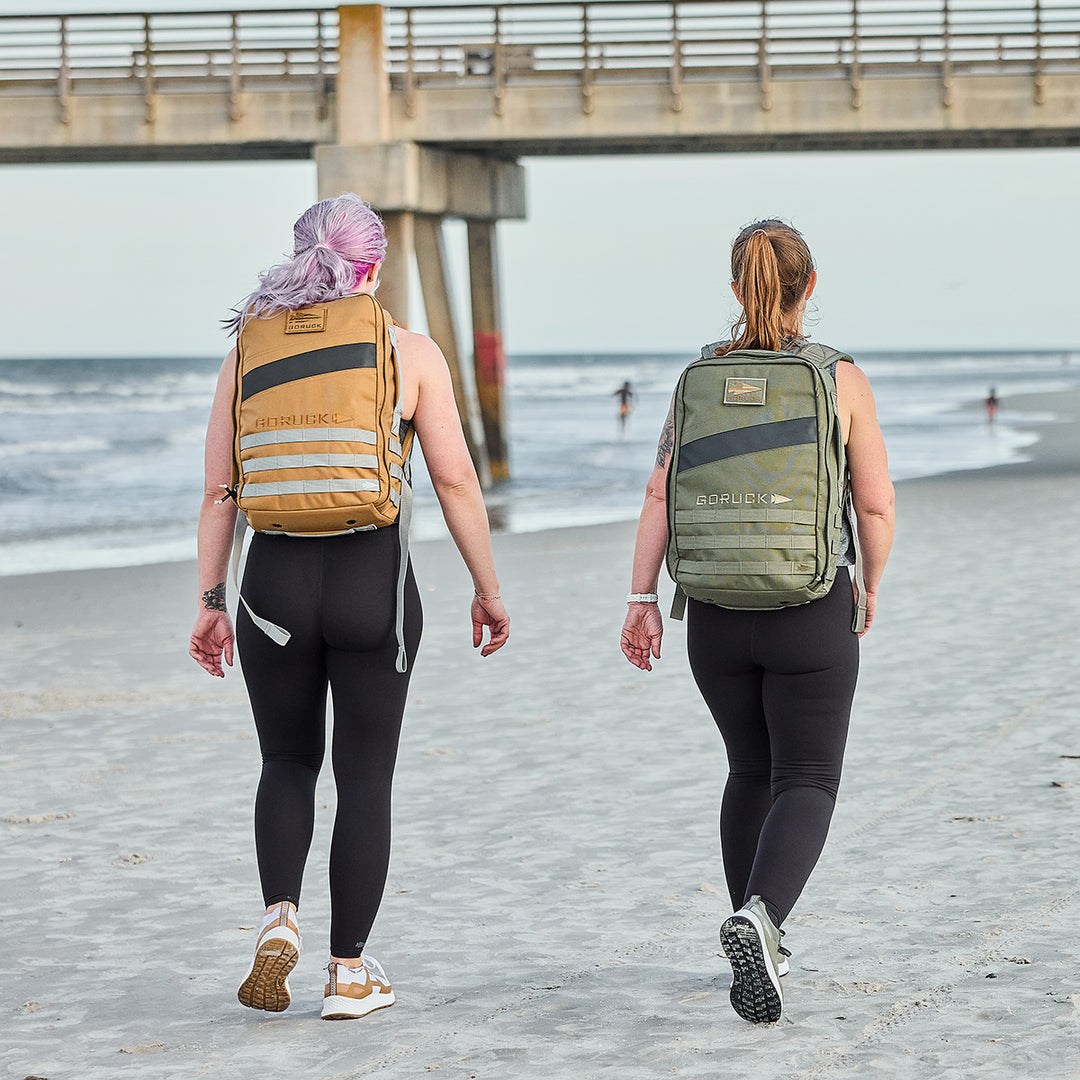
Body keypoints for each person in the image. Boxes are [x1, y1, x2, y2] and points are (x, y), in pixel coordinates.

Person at [189, 193, 510, 1020]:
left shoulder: (247, 352)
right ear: (372, 266)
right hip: (374, 586)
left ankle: (278, 919)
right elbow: (454, 481)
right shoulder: (408, 352)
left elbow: (221, 491)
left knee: (286, 763)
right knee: (364, 777)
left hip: (271, 591)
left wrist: (211, 600)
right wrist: (487, 588)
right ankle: (347, 973)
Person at [620, 219, 894, 1024]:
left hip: (714, 613)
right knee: (807, 778)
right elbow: (873, 503)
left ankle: (750, 930)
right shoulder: (838, 377)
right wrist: (870, 584)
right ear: (810, 287)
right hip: (810, 605)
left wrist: (641, 601)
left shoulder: (699, 378)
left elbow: (657, 495)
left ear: (736, 290)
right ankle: (761, 922)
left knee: (748, 768)